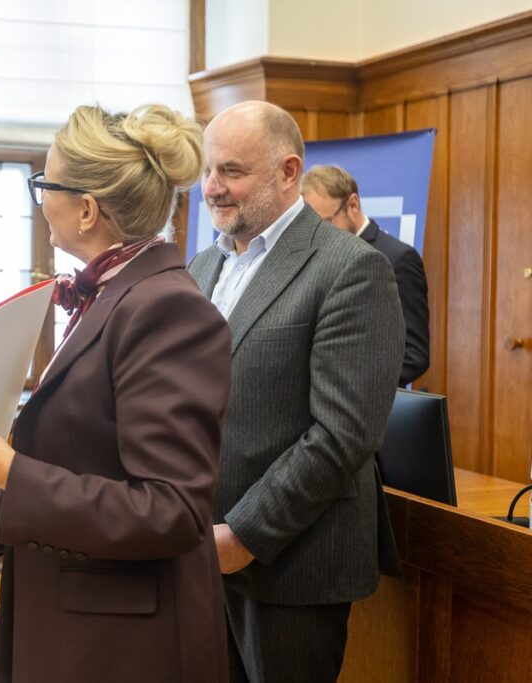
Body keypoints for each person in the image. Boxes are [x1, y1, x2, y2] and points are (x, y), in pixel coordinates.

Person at [0, 104, 232, 682]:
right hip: (81, 627)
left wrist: (4, 467)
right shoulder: (113, 296)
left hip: (125, 647)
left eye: (45, 185)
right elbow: (86, 467)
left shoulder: (165, 309)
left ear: (87, 210)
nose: (40, 200)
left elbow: (170, 510)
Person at [187, 101, 405, 683]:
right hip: (198, 552)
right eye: (208, 170)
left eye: (232, 171)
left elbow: (343, 434)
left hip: (292, 565)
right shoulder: (202, 266)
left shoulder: (351, 269)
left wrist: (244, 535)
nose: (212, 187)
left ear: (288, 172)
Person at [302, 164, 431, 386]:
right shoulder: (314, 256)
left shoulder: (397, 258)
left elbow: (414, 355)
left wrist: (349, 383)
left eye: (325, 223)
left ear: (353, 204)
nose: (319, 235)